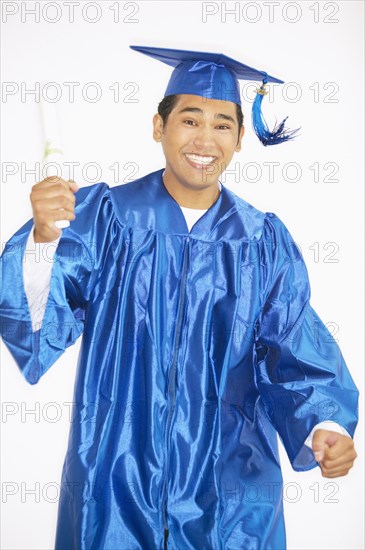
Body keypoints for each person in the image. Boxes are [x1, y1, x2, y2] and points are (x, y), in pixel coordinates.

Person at [0, 46, 359, 550]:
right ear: (158, 127)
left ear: (238, 140)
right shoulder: (107, 220)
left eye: (222, 125)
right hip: (115, 476)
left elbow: (296, 348)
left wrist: (325, 424)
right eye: (190, 120)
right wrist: (41, 238)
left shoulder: (261, 242)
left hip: (229, 489)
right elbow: (35, 324)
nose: (204, 140)